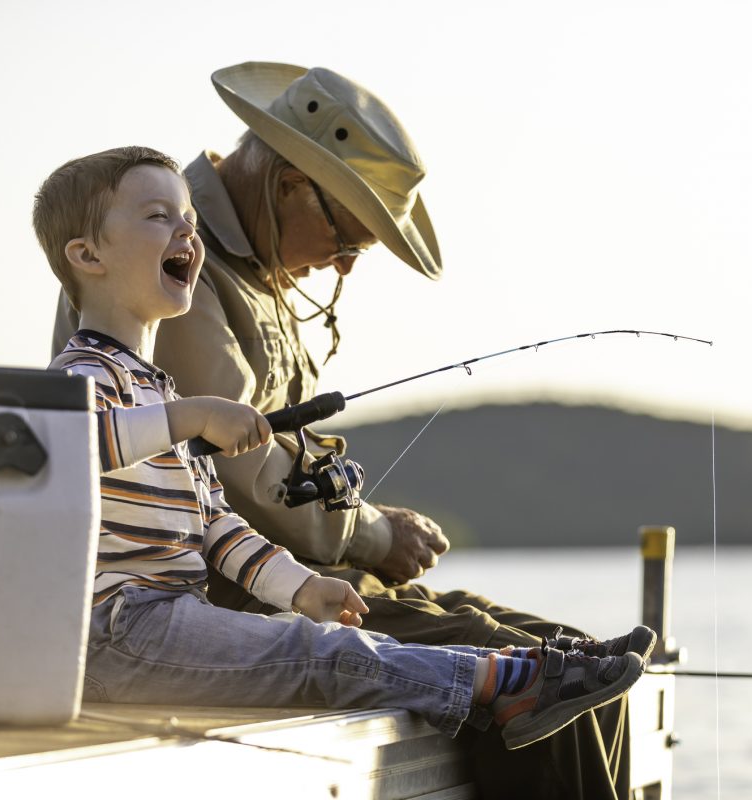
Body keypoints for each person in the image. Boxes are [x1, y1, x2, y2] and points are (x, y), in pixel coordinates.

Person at [52, 64, 654, 797]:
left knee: (567, 659)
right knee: (516, 669)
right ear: (289, 184)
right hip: (197, 612)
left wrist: (311, 579)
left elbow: (215, 509)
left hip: (283, 576)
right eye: (349, 240)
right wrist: (369, 535)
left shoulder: (200, 273)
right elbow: (212, 474)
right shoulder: (159, 290)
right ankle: (513, 684)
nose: (341, 264)